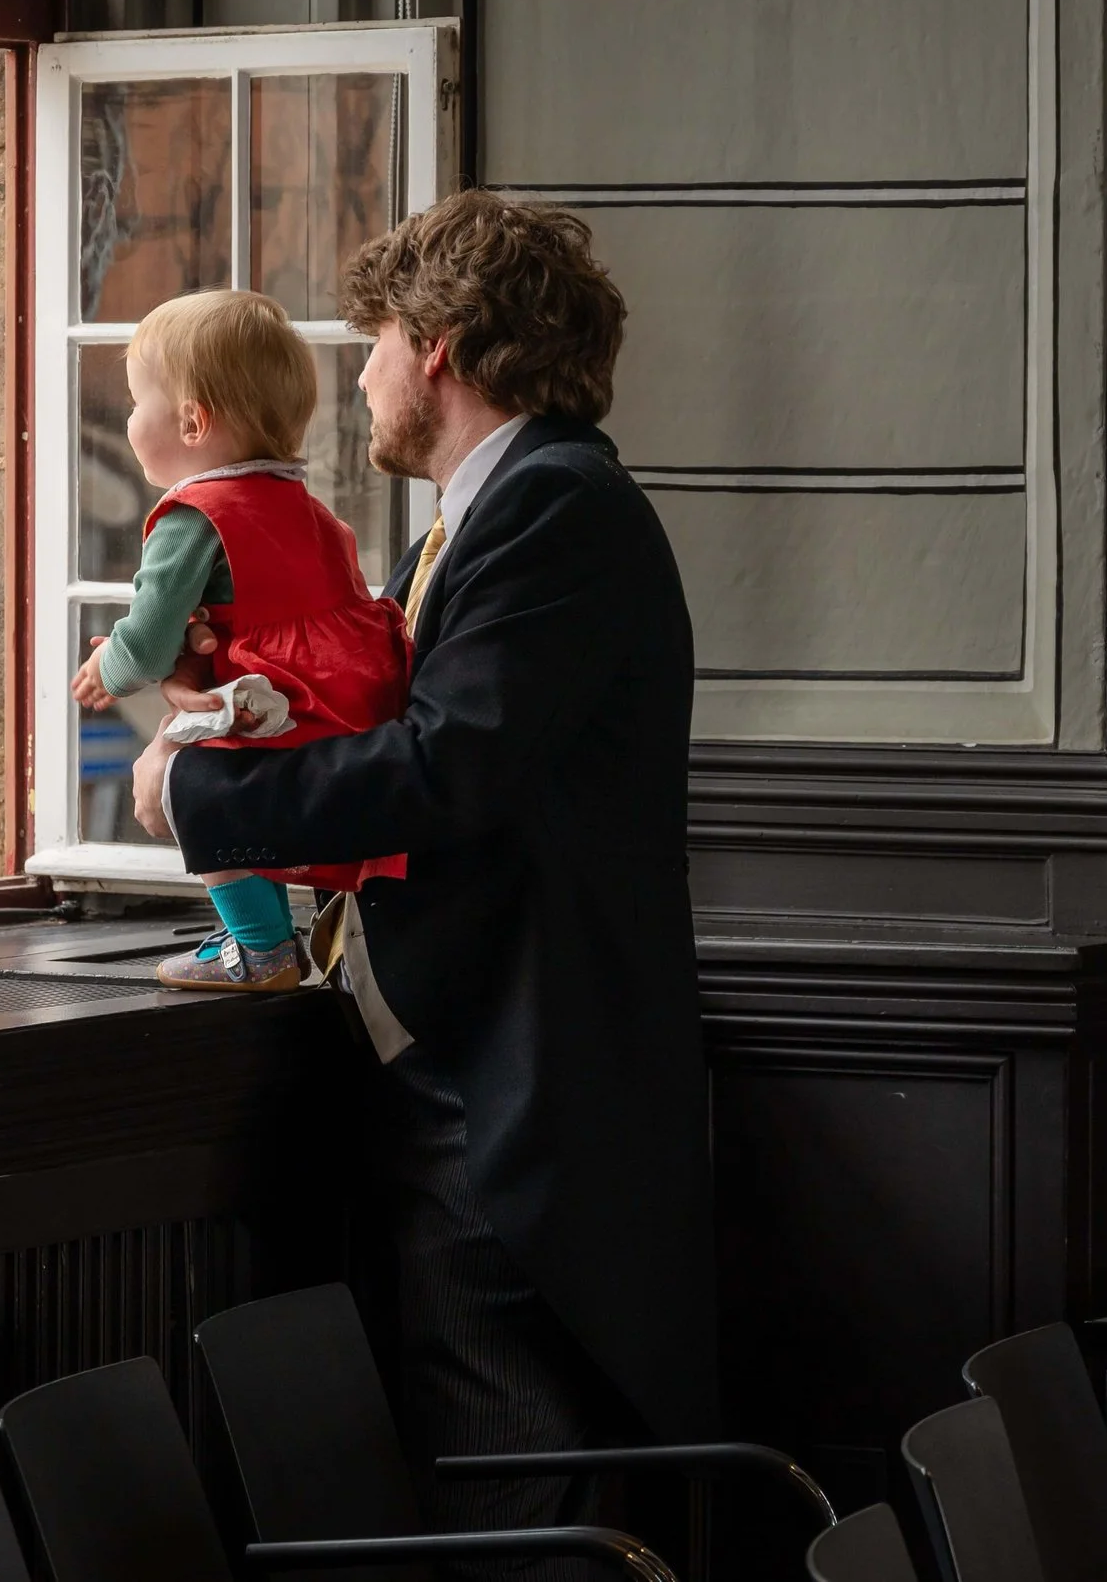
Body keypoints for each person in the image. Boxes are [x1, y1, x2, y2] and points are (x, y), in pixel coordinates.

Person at [131, 190, 714, 1569]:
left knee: (520, 1503)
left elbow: (450, 769)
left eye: (376, 342)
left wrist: (201, 786)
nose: (364, 378)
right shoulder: (496, 509)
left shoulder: (552, 506)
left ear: (439, 345)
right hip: (493, 1077)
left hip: (510, 1100)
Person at [71, 287, 412, 992]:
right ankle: (257, 930)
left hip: (276, 700)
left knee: (188, 784)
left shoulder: (192, 517)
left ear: (193, 421)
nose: (130, 418)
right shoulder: (304, 505)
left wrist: (114, 661)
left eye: (137, 403)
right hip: (352, 695)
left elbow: (153, 632)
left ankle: (261, 946)